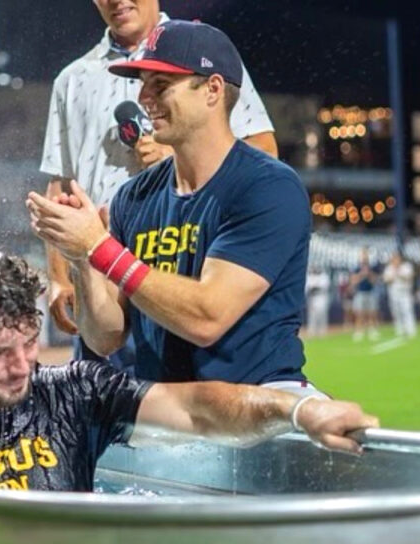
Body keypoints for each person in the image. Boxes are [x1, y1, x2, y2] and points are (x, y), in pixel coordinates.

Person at [0, 189, 378, 492]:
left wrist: (296, 408)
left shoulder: (72, 392)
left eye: (29, 342)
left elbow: (199, 410)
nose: (22, 365)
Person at [29, 20, 319, 398]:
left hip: (258, 398)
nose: (144, 97)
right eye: (143, 82)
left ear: (213, 89)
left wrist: (100, 248)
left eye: (161, 85)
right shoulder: (134, 196)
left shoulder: (268, 186)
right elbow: (107, 336)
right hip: (169, 406)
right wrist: (81, 257)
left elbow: (208, 316)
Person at [382, 252, 417, 339]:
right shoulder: (389, 268)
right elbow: (386, 279)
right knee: (396, 312)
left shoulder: (406, 266)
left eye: (397, 259)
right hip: (394, 293)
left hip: (404, 292)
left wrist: (399, 273)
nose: (396, 261)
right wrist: (394, 274)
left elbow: (409, 277)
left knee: (407, 310)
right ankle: (400, 329)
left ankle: (410, 330)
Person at [350, 248, 379, 342]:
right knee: (359, 313)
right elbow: (353, 281)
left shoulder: (372, 268)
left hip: (370, 292)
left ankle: (372, 330)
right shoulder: (356, 268)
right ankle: (359, 331)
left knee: (372, 312)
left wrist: (369, 274)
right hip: (360, 292)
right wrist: (362, 274)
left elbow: (375, 281)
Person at [304, 265, 331, 338]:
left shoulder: (323, 276)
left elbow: (323, 287)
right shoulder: (309, 276)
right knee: (312, 315)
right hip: (312, 297)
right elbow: (308, 288)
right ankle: (312, 331)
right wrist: (314, 287)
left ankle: (322, 331)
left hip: (321, 296)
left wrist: (314, 287)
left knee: (322, 314)